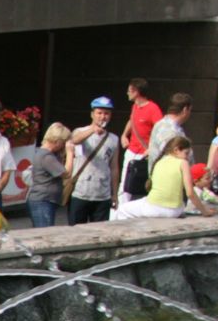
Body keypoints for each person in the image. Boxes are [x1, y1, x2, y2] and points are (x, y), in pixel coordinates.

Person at [116, 134, 210, 220]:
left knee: (122, 209)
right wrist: (205, 211)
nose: (187, 157)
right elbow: (190, 193)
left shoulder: (160, 162)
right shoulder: (183, 163)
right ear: (176, 150)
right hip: (175, 210)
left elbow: (189, 193)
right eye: (186, 153)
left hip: (156, 208)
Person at [66, 96, 121, 225]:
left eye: (106, 113)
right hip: (80, 191)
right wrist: (92, 130)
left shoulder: (113, 139)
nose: (103, 117)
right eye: (99, 113)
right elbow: (74, 141)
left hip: (102, 193)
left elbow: (114, 167)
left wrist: (115, 194)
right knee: (76, 230)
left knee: (100, 231)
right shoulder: (80, 131)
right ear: (92, 114)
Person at [119, 77, 162, 201]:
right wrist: (124, 135)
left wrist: (152, 148)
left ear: (136, 91)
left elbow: (160, 129)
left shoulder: (153, 108)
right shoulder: (135, 107)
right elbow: (132, 120)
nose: (127, 93)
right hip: (132, 150)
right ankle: (121, 212)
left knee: (146, 184)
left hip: (145, 153)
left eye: (129, 91)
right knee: (125, 184)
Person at [26, 123, 70, 229]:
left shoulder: (45, 153)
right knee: (45, 234)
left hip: (44, 200)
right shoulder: (46, 157)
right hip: (42, 200)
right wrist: (70, 153)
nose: (64, 145)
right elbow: (66, 173)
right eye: (64, 142)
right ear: (58, 142)